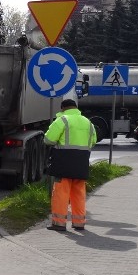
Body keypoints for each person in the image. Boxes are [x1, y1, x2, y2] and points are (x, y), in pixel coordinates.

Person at [44, 98, 97, 232]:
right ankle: (79, 223)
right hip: (82, 163)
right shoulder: (88, 122)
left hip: (63, 163)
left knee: (61, 193)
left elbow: (48, 140)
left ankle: (59, 223)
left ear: (63, 108)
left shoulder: (62, 120)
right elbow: (93, 141)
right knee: (79, 193)